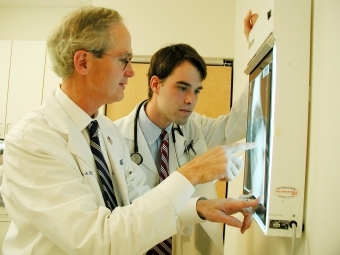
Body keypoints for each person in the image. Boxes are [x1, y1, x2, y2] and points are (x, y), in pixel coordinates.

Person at [1, 6, 259, 255]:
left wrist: (202, 207)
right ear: (83, 62)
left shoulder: (104, 131)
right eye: (123, 60)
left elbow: (144, 203)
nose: (132, 72)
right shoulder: (33, 141)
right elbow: (98, 241)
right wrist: (191, 173)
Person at [114, 11, 258, 255]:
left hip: (189, 246)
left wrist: (254, 47)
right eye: (182, 88)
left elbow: (239, 122)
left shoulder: (196, 128)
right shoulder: (116, 137)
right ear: (156, 84)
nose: (191, 100)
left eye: (197, 90)